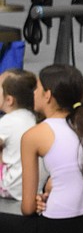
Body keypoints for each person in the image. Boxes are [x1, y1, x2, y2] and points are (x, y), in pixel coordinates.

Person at [0, 65, 83, 233]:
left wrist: (35, 202)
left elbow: (27, 209)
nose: (33, 93)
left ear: (48, 95)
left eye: (37, 88)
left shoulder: (35, 134)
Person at [0, 69, 37, 201]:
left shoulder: (7, 122)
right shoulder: (33, 118)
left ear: (9, 100)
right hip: (32, 187)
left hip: (10, 187)